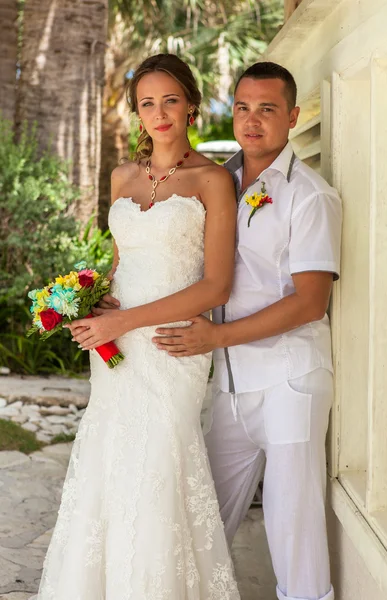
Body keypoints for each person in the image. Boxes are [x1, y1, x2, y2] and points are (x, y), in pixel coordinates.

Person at [34, 53, 240, 600]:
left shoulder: (213, 181)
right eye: (147, 103)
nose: (160, 112)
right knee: (111, 461)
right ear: (137, 113)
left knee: (160, 468)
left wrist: (126, 319)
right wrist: (89, 306)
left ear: (192, 105)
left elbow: (216, 286)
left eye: (170, 99)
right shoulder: (122, 177)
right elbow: (122, 265)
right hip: (117, 342)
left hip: (174, 346)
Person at [153, 62, 342, 600]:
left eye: (267, 109)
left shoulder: (310, 195)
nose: (252, 121)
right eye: (243, 107)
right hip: (228, 387)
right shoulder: (218, 182)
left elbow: (310, 302)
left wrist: (215, 339)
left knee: (294, 534)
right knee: (200, 521)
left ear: (293, 117)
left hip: (289, 382)